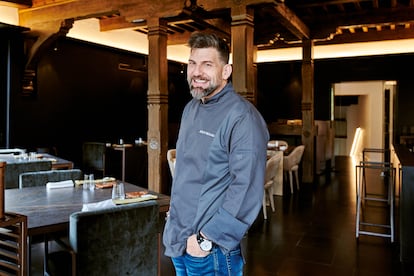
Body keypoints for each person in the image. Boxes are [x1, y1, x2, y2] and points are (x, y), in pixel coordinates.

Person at [163, 31, 269, 275]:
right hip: (178, 239)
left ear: (226, 71)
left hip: (211, 250)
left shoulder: (243, 117)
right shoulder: (190, 109)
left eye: (207, 65)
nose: (197, 72)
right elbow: (190, 171)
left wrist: (205, 239)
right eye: (192, 63)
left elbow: (246, 187)